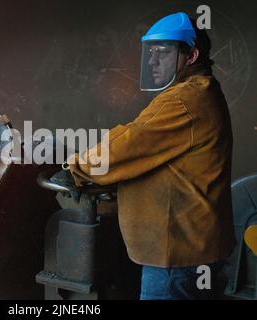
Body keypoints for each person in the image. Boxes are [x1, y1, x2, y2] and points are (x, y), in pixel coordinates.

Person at [67, 12, 236, 300]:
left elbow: (129, 143)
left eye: (163, 53)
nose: (152, 61)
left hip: (176, 259)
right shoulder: (201, 91)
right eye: (151, 53)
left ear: (191, 56)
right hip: (194, 253)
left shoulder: (183, 101)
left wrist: (76, 169)